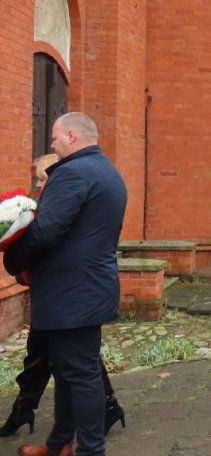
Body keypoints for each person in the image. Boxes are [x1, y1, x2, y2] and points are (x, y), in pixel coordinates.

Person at [4, 112, 128, 456]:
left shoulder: (73, 173)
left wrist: (12, 259)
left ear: (72, 136)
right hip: (84, 289)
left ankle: (89, 450)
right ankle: (61, 443)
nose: (53, 145)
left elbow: (46, 230)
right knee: (68, 370)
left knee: (81, 374)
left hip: (73, 293)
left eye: (56, 138)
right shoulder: (105, 170)